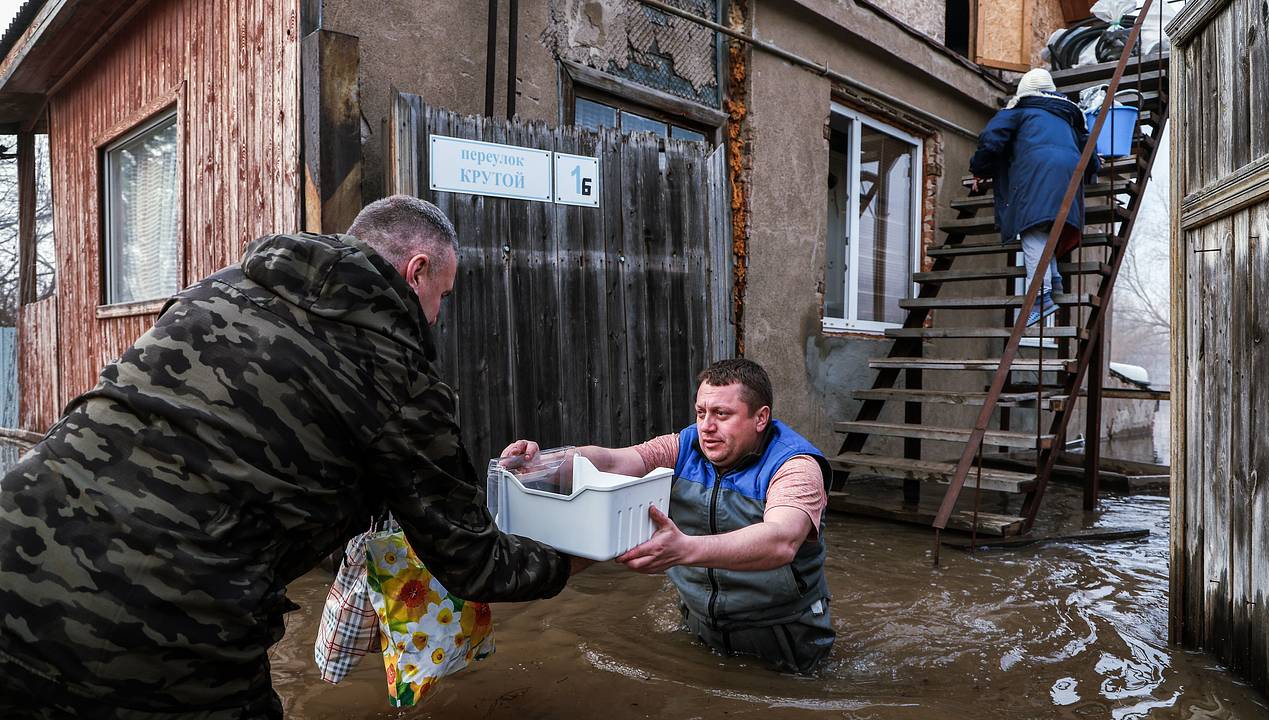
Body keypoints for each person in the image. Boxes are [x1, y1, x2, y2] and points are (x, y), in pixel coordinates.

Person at [0, 195, 589, 719]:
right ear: (417, 272)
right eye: (443, 296)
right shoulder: (396, 373)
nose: (437, 315)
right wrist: (582, 555)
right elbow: (472, 563)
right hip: (167, 619)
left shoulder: (216, 290)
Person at [502, 359, 834, 674]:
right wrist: (544, 464)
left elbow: (781, 540)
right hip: (700, 625)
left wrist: (685, 549)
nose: (706, 427)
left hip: (784, 636)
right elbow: (615, 461)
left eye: (722, 414)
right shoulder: (684, 446)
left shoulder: (796, 466)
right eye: (701, 412)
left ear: (760, 418)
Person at [968, 67, 1101, 326]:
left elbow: (991, 140)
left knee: (1031, 231)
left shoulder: (1019, 111)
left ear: (1024, 93)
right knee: (1045, 227)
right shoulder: (1069, 119)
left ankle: (1041, 297)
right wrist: (1094, 167)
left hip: (1036, 174)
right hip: (1069, 177)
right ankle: (1056, 282)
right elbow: (1091, 153)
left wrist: (979, 168)